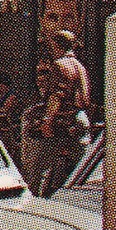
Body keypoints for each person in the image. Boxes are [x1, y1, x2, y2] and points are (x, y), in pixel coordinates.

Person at [31, 31, 91, 197]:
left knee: (39, 169)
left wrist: (47, 121)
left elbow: (56, 96)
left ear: (55, 45)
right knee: (82, 171)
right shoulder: (80, 66)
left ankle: (33, 205)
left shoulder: (59, 65)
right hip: (80, 119)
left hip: (61, 122)